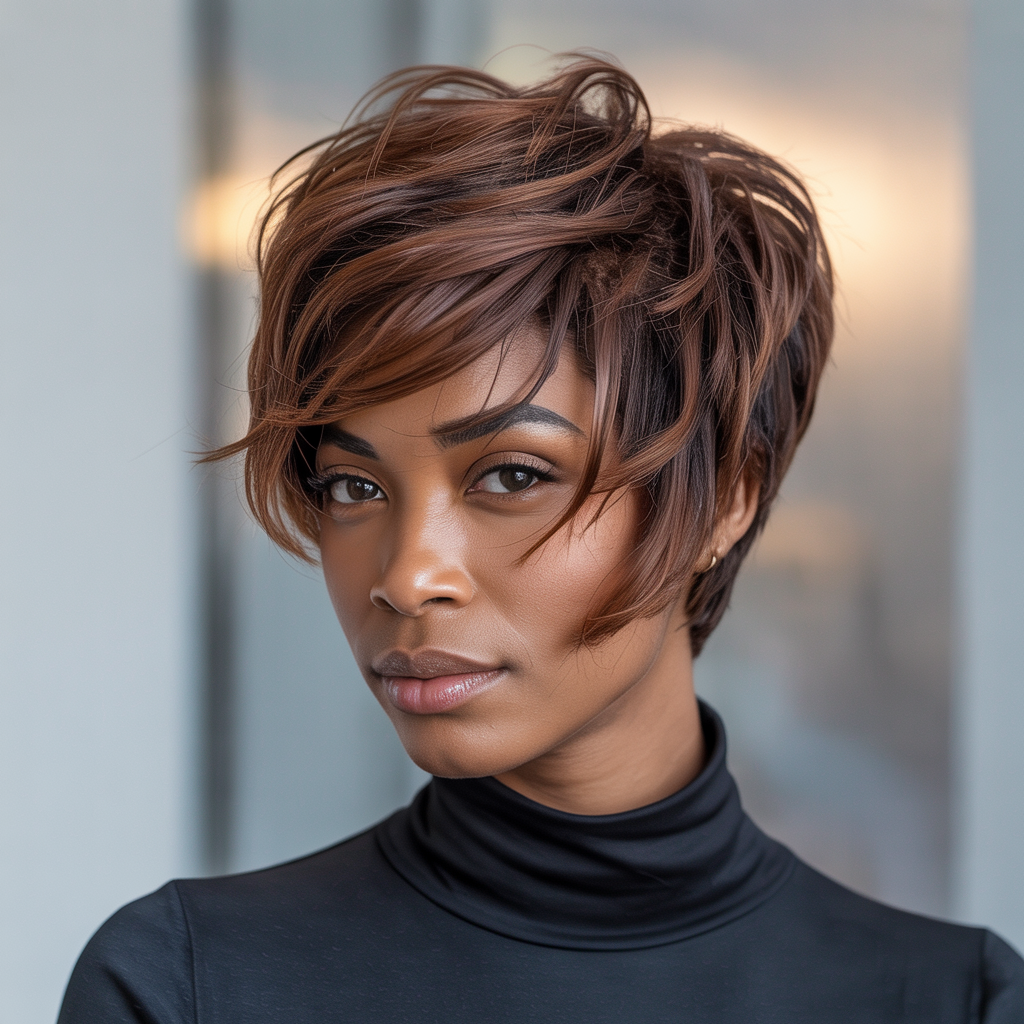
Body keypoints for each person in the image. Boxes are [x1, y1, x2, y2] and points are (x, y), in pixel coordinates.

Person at [59, 56, 1023, 1023]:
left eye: (512, 477)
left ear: (728, 496)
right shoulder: (185, 986)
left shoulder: (954, 1000)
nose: (408, 576)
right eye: (353, 486)